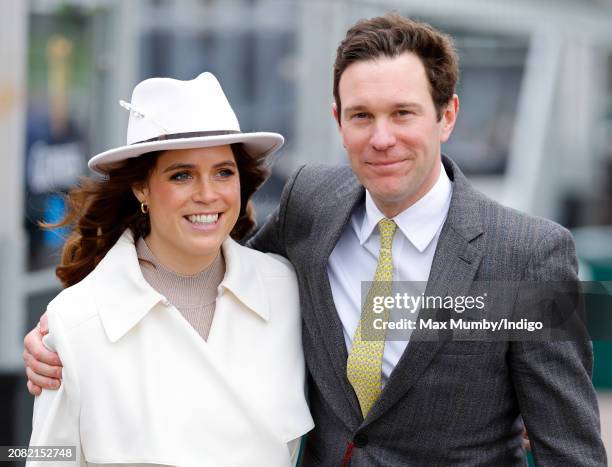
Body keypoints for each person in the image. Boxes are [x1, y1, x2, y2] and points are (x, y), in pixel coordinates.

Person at [24, 14, 606, 466]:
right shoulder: (309, 209)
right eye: (362, 116)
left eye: (403, 113)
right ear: (337, 121)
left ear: (446, 115)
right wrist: (67, 329)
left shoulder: (527, 255)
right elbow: (201, 260)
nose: (382, 139)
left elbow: (569, 447)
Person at [25, 72, 313, 467]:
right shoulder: (75, 323)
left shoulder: (286, 291)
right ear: (141, 187)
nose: (208, 194)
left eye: (223, 172)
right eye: (182, 175)